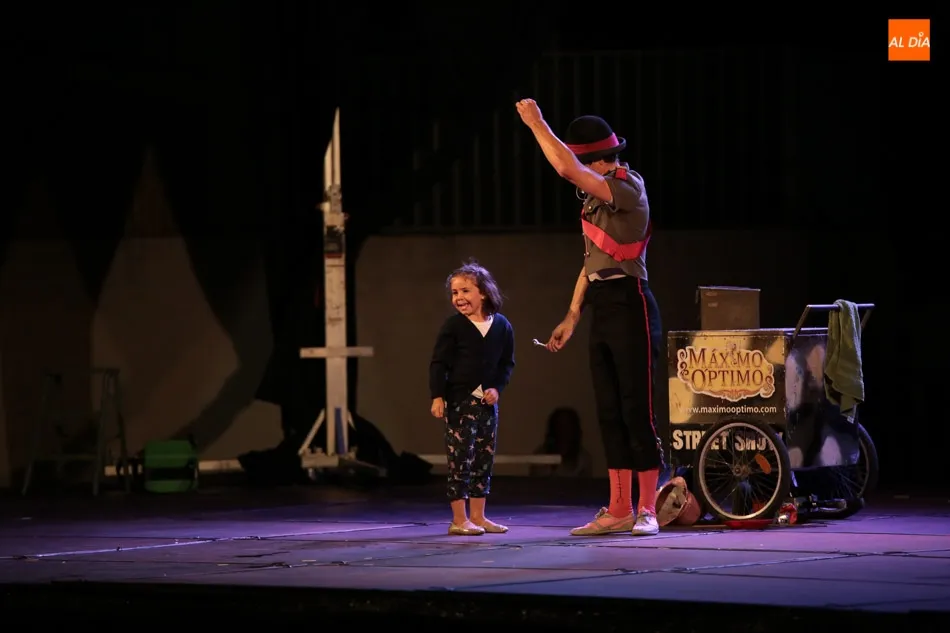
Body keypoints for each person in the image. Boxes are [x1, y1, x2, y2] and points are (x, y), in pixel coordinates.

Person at [516, 98, 664, 537]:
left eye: (583, 160)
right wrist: (572, 314)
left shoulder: (628, 185)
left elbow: (566, 168)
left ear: (596, 160)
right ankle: (619, 508)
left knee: (637, 409)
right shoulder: (595, 201)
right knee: (608, 410)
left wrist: (538, 124)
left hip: (632, 301)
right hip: (603, 302)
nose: (579, 168)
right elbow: (591, 264)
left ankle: (648, 509)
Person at [429, 259, 516, 536]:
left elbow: (506, 363)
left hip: (486, 405)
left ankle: (478, 516)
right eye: (455, 292)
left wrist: (497, 388)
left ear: (484, 293)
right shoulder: (454, 326)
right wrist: (438, 396)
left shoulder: (501, 326)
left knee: (483, 459)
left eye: (465, 291)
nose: (459, 297)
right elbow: (439, 363)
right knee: (460, 460)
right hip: (460, 401)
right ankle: (459, 519)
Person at [530, 407, 593, 478]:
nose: (564, 430)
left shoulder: (583, 459)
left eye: (568, 426)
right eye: (560, 425)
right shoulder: (540, 458)